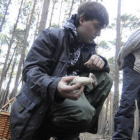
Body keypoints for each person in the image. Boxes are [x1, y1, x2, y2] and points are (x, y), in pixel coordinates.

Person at [10, 2, 113, 140]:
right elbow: (30, 72)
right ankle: (48, 126)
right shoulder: (51, 36)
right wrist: (55, 85)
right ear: (81, 20)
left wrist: (101, 61)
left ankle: (71, 124)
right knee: (83, 113)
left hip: (67, 103)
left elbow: (99, 74)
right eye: (96, 26)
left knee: (106, 79)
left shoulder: (87, 49)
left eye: (101, 29)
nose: (99, 33)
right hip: (39, 106)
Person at [113, 27, 140, 140]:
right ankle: (121, 138)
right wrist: (120, 62)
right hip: (134, 64)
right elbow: (129, 45)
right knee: (128, 102)